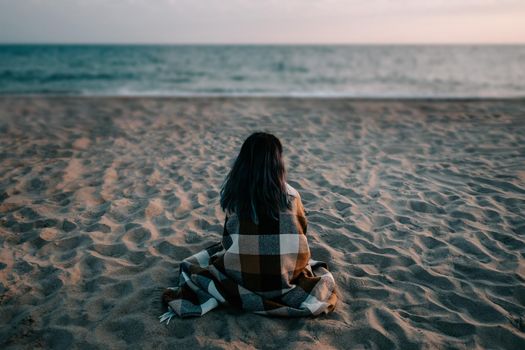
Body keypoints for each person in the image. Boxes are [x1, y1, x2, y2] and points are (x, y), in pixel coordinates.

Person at [159, 132, 337, 322]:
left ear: (244, 162)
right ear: (278, 162)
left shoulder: (236, 196)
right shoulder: (292, 196)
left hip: (242, 280)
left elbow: (227, 241)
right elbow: (302, 233)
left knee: (208, 257)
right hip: (284, 281)